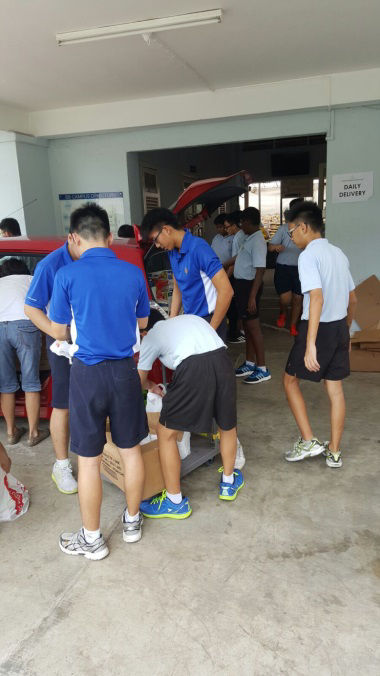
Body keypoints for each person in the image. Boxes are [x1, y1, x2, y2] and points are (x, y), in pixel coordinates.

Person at [46, 203, 150, 560]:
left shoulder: (67, 276)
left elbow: (59, 330)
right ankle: (133, 523)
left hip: (87, 374)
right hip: (124, 371)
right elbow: (141, 325)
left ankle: (92, 540)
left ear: (73, 237)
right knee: (130, 449)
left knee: (88, 460)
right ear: (109, 236)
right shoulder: (133, 272)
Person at [137, 314, 244, 519]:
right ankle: (228, 483)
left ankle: (174, 501)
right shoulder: (188, 319)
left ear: (144, 331)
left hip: (192, 368)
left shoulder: (151, 337)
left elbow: (138, 380)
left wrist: (149, 385)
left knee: (165, 432)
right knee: (226, 425)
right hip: (222, 361)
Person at [283, 201, 357, 468]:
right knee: (335, 389)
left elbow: (315, 297)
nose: (291, 238)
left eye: (291, 232)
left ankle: (309, 440)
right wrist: (345, 335)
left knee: (290, 381)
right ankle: (334, 452)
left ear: (303, 227)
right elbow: (354, 299)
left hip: (319, 327)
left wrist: (310, 344)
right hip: (338, 327)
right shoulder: (338, 253)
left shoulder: (308, 256)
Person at [24, 235, 80, 494]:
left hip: (92, 342)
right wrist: (58, 334)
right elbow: (31, 308)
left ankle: (100, 457)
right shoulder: (50, 265)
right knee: (63, 404)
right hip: (63, 346)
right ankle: (61, 465)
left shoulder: (96, 259)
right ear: (73, 238)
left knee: (96, 400)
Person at [139, 208, 233, 341]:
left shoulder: (199, 248)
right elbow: (178, 286)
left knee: (208, 362)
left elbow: (227, 291)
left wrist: (210, 331)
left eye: (156, 240)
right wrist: (171, 322)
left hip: (210, 321)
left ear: (166, 230)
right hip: (191, 321)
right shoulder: (172, 251)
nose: (158, 246)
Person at [0, 258, 49, 447]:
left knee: (6, 383)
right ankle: (33, 434)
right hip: (25, 324)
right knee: (31, 381)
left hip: (0, 327)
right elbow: (44, 307)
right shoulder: (30, 279)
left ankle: (11, 433)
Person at [234, 207, 271, 384]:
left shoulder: (257, 241)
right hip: (242, 286)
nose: (241, 225)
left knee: (254, 328)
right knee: (247, 327)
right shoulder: (247, 237)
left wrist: (251, 297)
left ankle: (262, 368)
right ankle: (249, 362)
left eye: (243, 222)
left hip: (250, 287)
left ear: (248, 222)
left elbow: (260, 270)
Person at [268, 198, 303, 335]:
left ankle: (293, 325)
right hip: (283, 267)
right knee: (285, 299)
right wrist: (276, 247)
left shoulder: (308, 228)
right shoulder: (283, 229)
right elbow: (270, 247)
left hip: (301, 269)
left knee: (298, 298)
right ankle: (283, 312)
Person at [223, 211, 246, 343]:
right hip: (237, 276)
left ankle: (234, 333)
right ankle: (235, 333)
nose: (226, 230)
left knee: (234, 307)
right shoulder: (239, 236)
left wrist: (225, 278)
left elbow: (236, 260)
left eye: (227, 227)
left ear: (235, 225)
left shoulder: (238, 237)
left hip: (237, 276)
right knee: (234, 307)